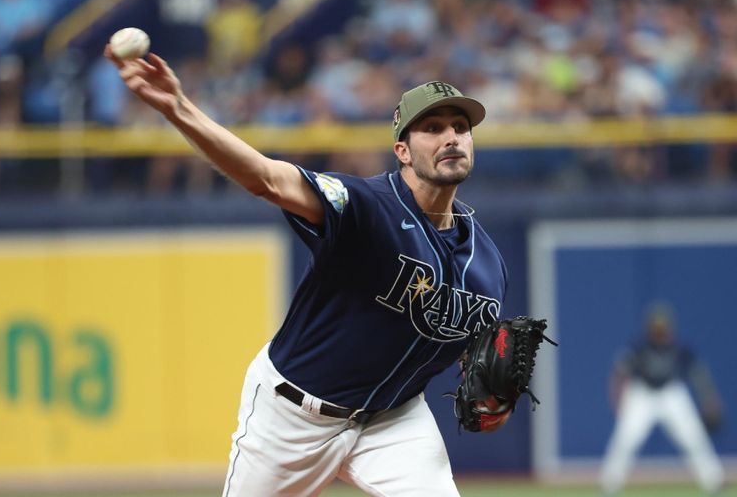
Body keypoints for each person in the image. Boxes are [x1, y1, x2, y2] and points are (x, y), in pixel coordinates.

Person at [106, 46, 510, 496]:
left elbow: (468, 351)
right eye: (432, 129)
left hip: (393, 420)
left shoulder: (487, 263)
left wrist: (494, 397)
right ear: (402, 149)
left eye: (460, 127)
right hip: (293, 417)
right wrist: (178, 108)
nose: (451, 137)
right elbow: (266, 178)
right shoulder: (364, 206)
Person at [600, 302, 725, 494]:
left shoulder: (680, 349)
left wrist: (710, 399)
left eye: (662, 326)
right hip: (642, 395)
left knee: (694, 438)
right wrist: (618, 399)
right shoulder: (638, 347)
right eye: (656, 327)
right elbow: (619, 373)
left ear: (669, 326)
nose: (659, 330)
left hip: (671, 393)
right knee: (625, 440)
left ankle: (713, 481)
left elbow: (699, 375)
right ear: (650, 327)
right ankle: (609, 484)